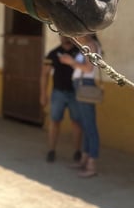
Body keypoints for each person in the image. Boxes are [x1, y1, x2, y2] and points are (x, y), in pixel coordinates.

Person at [59, 33, 101, 178]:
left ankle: (91, 164)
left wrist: (70, 62)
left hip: (85, 85)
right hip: (81, 85)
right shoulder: (86, 46)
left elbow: (88, 69)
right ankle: (85, 159)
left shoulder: (91, 45)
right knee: (85, 124)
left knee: (90, 126)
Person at [39, 35, 83, 163]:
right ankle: (51, 150)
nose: (65, 38)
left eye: (68, 35)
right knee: (54, 121)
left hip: (76, 94)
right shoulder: (53, 53)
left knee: (77, 123)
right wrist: (43, 94)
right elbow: (44, 74)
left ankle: (77, 152)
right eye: (62, 35)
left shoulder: (79, 53)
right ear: (59, 36)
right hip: (58, 93)